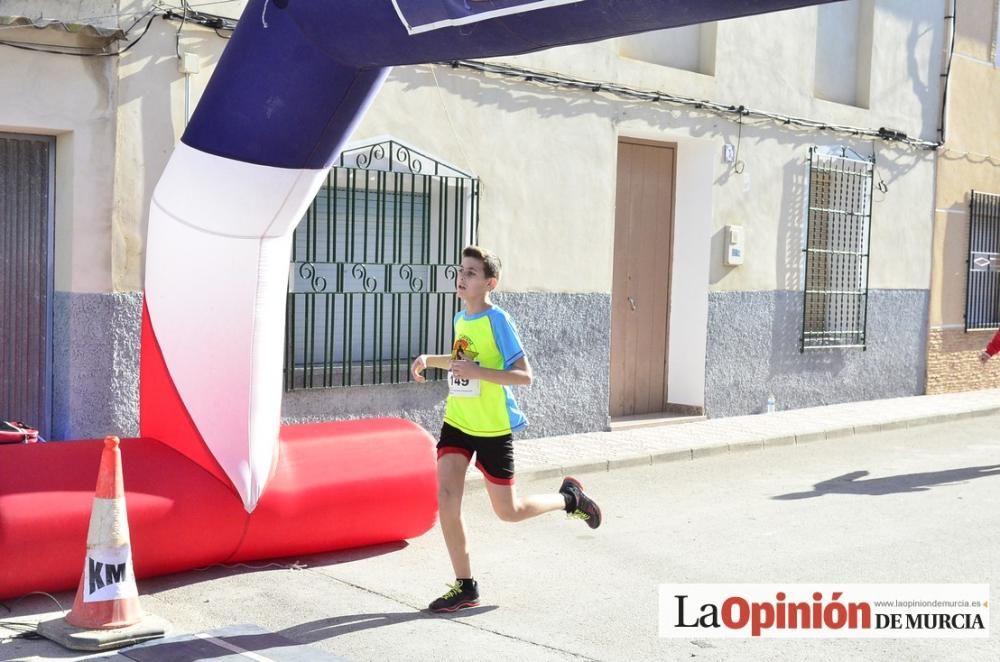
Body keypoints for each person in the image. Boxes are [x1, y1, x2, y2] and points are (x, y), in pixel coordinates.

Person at [411, 245, 602, 613]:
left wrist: (478, 373)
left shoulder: (498, 320)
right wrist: (430, 360)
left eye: (470, 273)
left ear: (489, 283)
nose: (461, 278)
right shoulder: (459, 319)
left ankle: (570, 499)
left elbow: (524, 375)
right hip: (458, 422)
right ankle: (465, 587)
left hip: (493, 428)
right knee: (447, 500)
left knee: (509, 511)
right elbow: (463, 361)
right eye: (461, 271)